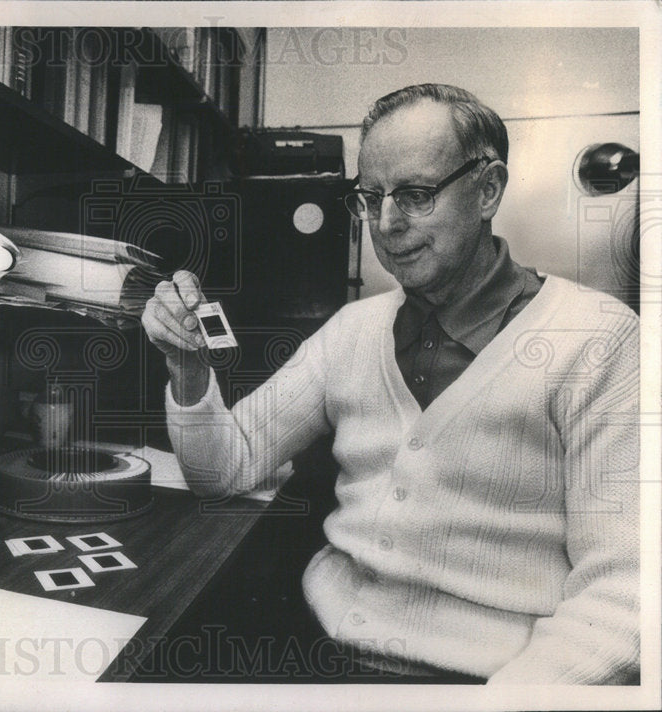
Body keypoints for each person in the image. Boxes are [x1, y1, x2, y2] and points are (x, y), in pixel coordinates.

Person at [142, 84, 639, 684]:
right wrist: (188, 368)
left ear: (488, 189)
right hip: (316, 652)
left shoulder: (600, 340)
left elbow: (623, 596)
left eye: (416, 194)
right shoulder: (353, 330)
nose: (385, 224)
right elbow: (224, 469)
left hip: (492, 684)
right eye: (369, 197)